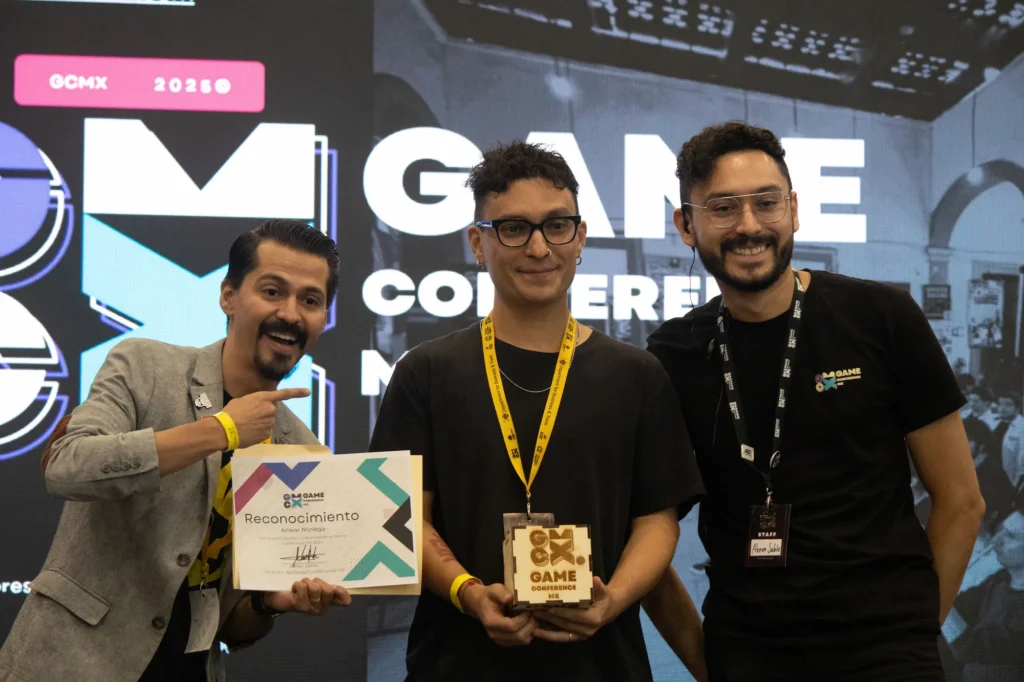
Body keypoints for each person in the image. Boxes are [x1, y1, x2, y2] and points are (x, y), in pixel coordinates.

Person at [644, 121, 985, 681]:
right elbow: (648, 532)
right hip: (748, 653)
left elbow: (962, 501)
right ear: (686, 224)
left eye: (766, 203)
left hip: (885, 654)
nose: (749, 226)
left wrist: (913, 638)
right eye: (723, 207)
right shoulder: (673, 354)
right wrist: (710, 664)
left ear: (794, 210)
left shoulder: (882, 319)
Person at [368, 141, 705, 682]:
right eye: (513, 228)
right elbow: (404, 519)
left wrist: (611, 600)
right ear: (478, 242)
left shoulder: (636, 375)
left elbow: (657, 521)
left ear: (581, 237)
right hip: (457, 663)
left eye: (557, 225)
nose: (539, 247)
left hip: (602, 666)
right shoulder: (425, 373)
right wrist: (470, 593)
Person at [0, 220, 352, 682]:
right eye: (272, 291)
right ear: (228, 296)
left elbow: (233, 622)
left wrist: (270, 603)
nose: (290, 313)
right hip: (70, 661)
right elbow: (67, 466)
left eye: (310, 300)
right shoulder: (145, 365)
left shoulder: (302, 452)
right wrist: (221, 429)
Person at [944, 510, 1024, 681]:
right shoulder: (1001, 579)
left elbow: (969, 647)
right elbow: (960, 606)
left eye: (1010, 536)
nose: (996, 540)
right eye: (1001, 530)